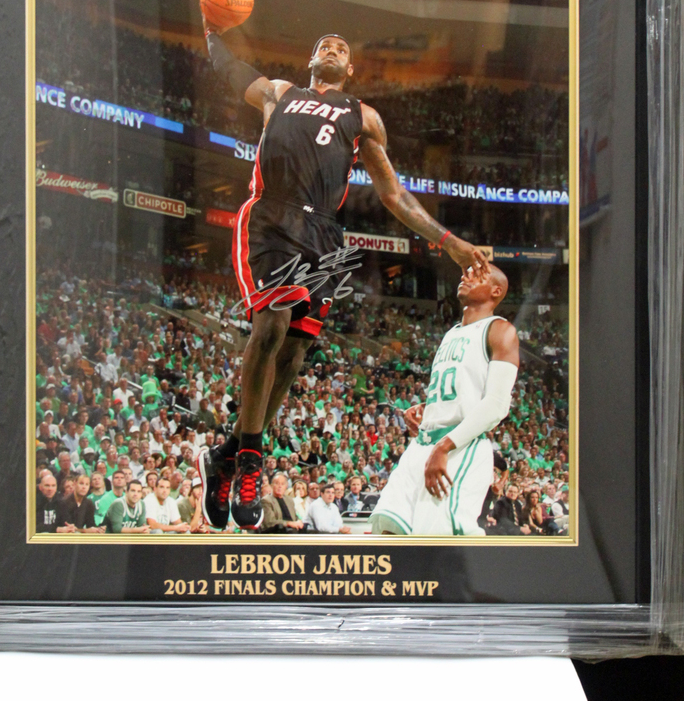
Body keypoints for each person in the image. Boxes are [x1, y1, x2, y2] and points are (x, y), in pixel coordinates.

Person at [196, 26, 484, 530]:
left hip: (323, 232)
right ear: (311, 60)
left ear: (350, 69)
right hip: (271, 215)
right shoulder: (280, 93)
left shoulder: (363, 116)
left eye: (342, 48)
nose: (331, 49)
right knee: (272, 325)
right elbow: (233, 70)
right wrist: (212, 30)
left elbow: (394, 195)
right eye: (323, 46)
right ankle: (250, 461)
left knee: (295, 353)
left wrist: (451, 243)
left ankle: (225, 455)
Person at [370, 262, 519, 536]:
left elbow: (497, 405)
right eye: (466, 272)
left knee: (437, 545)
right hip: (423, 444)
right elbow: (461, 391)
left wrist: (444, 447)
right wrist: (426, 409)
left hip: (459, 448)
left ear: (496, 291)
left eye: (477, 275)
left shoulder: (501, 330)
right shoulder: (452, 332)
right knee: (388, 532)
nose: (466, 275)